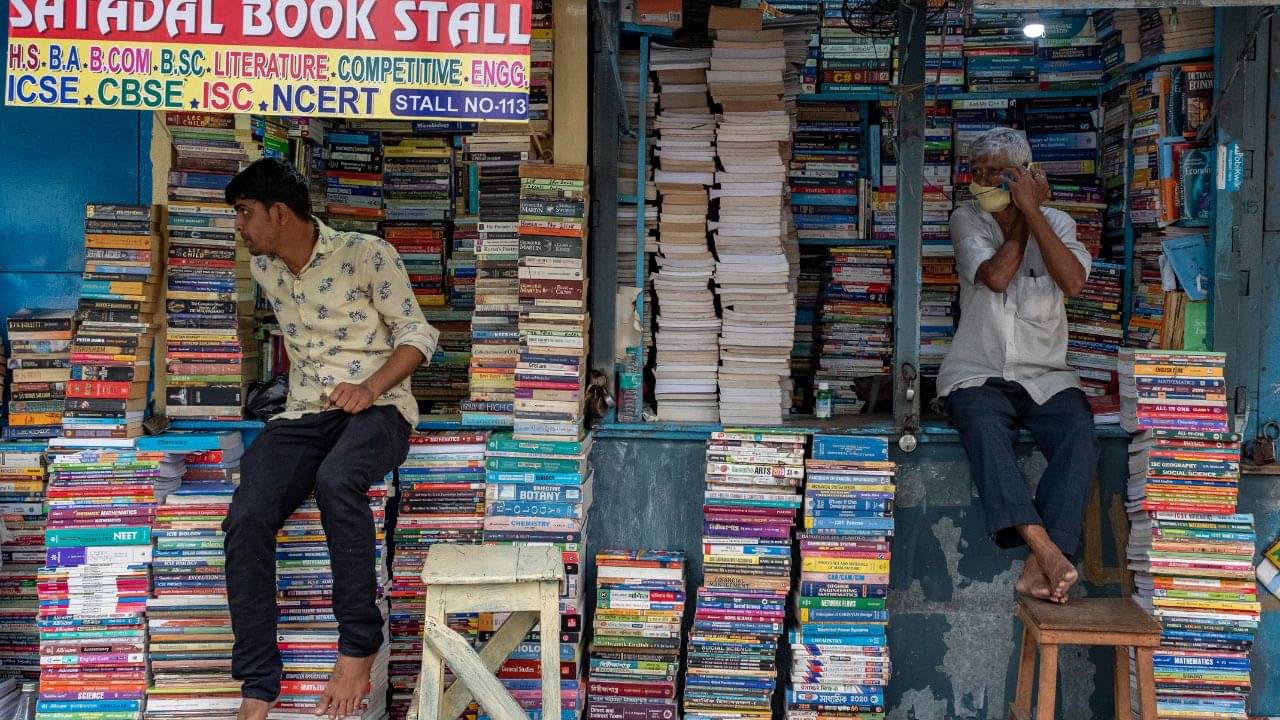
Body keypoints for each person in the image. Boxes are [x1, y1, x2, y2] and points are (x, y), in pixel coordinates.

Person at [221, 158, 439, 720]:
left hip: (380, 410)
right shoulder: (267, 268)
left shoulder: (366, 254)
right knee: (245, 515)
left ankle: (358, 647)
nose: (238, 227)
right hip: (304, 415)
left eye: (245, 214)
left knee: (338, 480)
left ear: (280, 213)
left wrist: (369, 388)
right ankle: (257, 682)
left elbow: (419, 334)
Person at [938, 127, 1099, 605]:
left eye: (999, 172)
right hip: (978, 371)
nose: (985, 180)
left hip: (1046, 375)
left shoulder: (1060, 224)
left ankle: (1037, 565)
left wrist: (1032, 211)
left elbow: (1072, 281)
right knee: (985, 431)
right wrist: (1023, 216)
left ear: (1027, 176)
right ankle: (1049, 550)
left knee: (1079, 434)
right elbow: (995, 275)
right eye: (978, 171)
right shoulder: (966, 219)